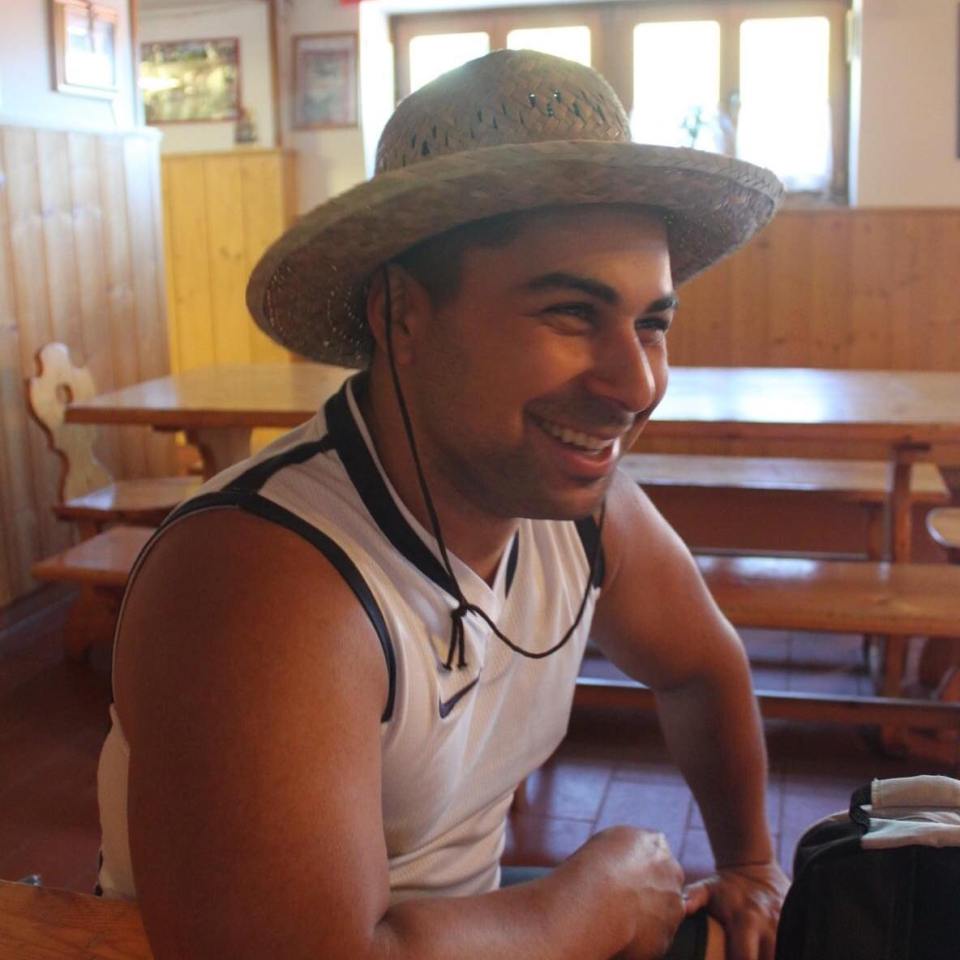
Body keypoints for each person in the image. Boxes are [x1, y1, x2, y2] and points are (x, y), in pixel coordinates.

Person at [96, 50, 789, 960]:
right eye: (572, 314)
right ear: (401, 316)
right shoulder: (261, 578)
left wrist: (752, 868)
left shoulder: (579, 512)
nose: (639, 381)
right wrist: (590, 902)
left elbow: (702, 667)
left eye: (652, 321)